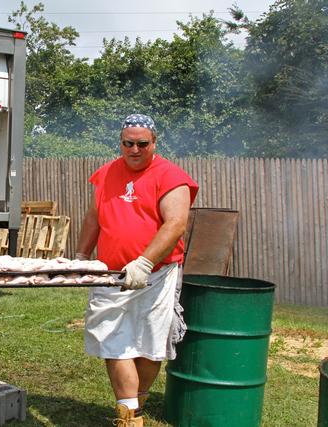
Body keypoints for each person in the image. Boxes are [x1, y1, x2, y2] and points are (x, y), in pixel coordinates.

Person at [75, 114, 199, 427]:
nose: (134, 149)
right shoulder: (106, 173)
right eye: (128, 143)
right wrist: (81, 256)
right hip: (110, 275)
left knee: (150, 345)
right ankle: (128, 415)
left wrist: (144, 262)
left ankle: (135, 406)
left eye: (142, 143)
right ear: (120, 143)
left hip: (157, 275)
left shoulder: (172, 176)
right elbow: (94, 218)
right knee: (112, 340)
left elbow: (176, 223)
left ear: (154, 143)